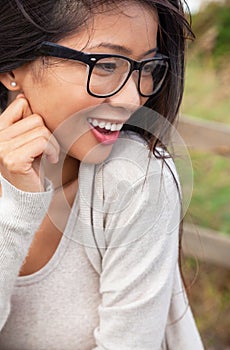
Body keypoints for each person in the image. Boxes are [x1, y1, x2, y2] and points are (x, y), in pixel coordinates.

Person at [0, 0, 204, 349]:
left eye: (147, 67)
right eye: (106, 64)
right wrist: (17, 210)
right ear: (12, 68)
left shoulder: (136, 177)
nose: (132, 97)